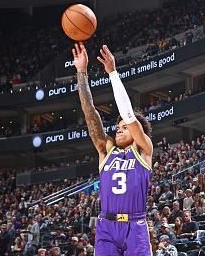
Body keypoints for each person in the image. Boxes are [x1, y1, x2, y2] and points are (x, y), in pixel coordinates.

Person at [73, 43, 153, 255]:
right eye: (117, 128)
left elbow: (128, 115)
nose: (118, 130)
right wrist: (82, 73)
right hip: (106, 227)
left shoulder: (143, 150)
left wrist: (113, 73)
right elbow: (89, 112)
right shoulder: (106, 151)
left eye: (124, 128)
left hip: (135, 226)